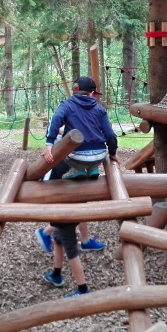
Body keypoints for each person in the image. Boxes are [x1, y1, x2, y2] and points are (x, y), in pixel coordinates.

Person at [38, 76, 120, 296]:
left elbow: (56, 120)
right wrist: (112, 153)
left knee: (70, 247)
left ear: (74, 91)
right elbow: (110, 135)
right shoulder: (99, 110)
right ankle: (56, 273)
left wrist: (49, 142)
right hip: (97, 156)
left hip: (71, 182)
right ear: (92, 93)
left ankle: (82, 288)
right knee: (58, 238)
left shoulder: (67, 105)